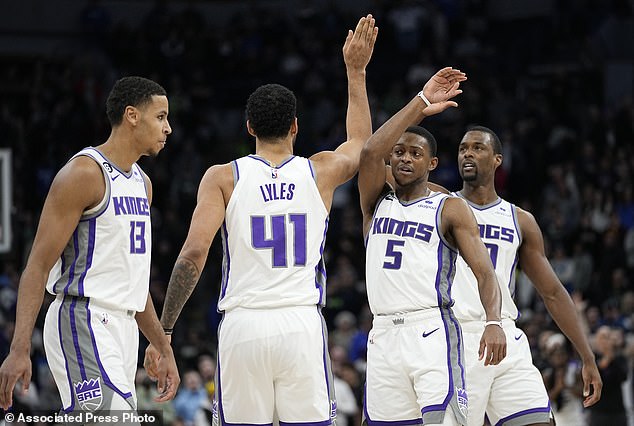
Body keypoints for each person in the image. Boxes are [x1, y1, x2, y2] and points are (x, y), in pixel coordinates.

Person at [145, 16, 378, 425]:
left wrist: (163, 331)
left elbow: (193, 254)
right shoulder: (319, 171)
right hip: (301, 324)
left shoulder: (223, 177)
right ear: (295, 127)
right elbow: (362, 144)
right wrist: (355, 72)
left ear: (249, 127)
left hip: (244, 326)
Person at [0, 76, 180, 417]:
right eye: (160, 117)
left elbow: (134, 282)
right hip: (81, 318)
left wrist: (162, 346)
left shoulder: (144, 184)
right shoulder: (84, 173)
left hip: (124, 329)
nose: (168, 128)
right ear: (132, 115)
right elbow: (36, 266)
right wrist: (20, 346)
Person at [358, 70, 506, 425]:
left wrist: (494, 321)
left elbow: (485, 271)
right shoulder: (375, 202)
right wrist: (421, 103)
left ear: (432, 163)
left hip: (431, 331)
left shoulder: (449, 208)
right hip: (382, 334)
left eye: (415, 153)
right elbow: (369, 151)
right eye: (399, 153)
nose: (405, 159)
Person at [450, 125, 602, 425]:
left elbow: (553, 292)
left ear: (497, 159)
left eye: (477, 147)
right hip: (455, 335)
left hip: (505, 336)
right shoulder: (440, 206)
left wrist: (587, 355)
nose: (467, 152)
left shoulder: (519, 220)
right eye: (462, 148)